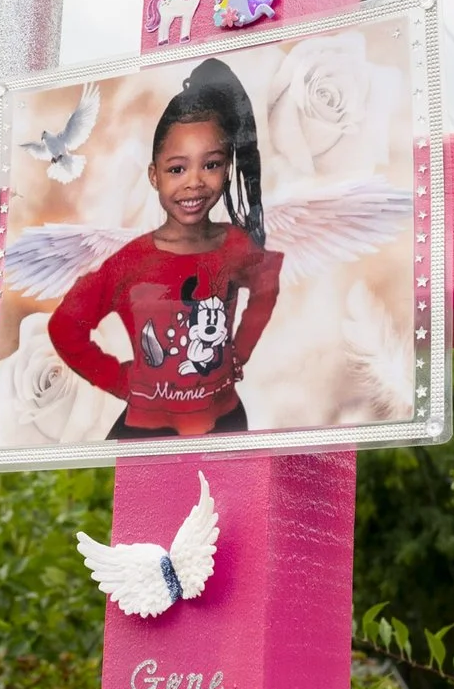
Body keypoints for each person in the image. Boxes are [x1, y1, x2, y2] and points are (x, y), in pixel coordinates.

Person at [47, 59, 283, 438]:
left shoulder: (237, 247)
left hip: (224, 425)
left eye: (211, 164)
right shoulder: (129, 264)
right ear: (154, 175)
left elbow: (266, 288)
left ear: (227, 169)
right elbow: (64, 327)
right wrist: (121, 380)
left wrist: (240, 352)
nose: (194, 182)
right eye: (177, 169)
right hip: (148, 433)